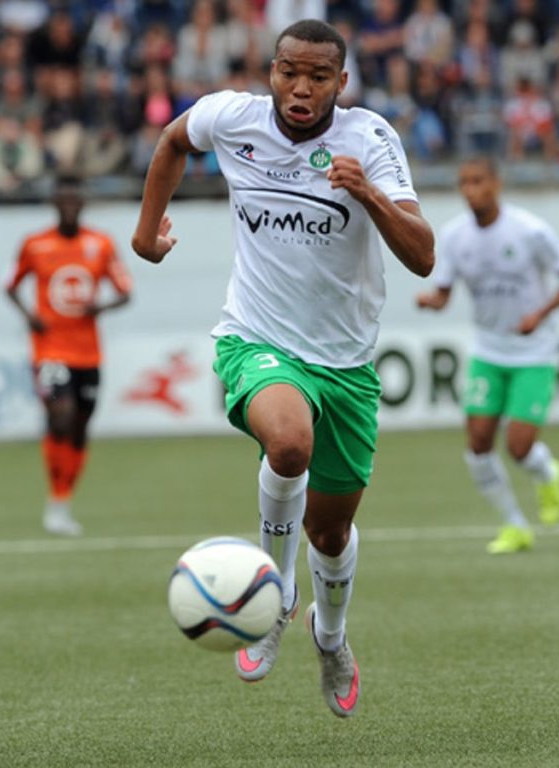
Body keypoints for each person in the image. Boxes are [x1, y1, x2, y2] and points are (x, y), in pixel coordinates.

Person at [131, 19, 435, 717]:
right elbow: (176, 139)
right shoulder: (231, 117)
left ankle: (329, 637)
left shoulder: (369, 141)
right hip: (256, 338)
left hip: (346, 364)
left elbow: (422, 256)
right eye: (288, 72)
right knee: (289, 442)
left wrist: (371, 196)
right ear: (270, 70)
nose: (300, 89)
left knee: (331, 534)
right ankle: (272, 595)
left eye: (318, 77)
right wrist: (147, 231)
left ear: (342, 83)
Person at [415, 157, 559, 554]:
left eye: (478, 181)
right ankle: (515, 525)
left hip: (534, 352)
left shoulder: (529, 230)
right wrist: (432, 301)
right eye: (464, 182)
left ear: (496, 184)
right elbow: (445, 292)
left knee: (518, 446)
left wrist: (541, 314)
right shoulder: (453, 236)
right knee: (479, 443)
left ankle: (548, 471)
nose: (470, 190)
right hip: (488, 350)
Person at [5, 176, 132, 536]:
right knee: (60, 419)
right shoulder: (35, 245)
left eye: (75, 200)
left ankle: (62, 501)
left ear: (82, 203)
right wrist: (29, 315)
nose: (69, 206)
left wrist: (100, 305)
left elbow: (125, 290)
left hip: (88, 353)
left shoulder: (101, 244)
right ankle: (54, 504)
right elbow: (10, 285)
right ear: (55, 203)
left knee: (78, 429)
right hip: (50, 351)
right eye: (63, 200)